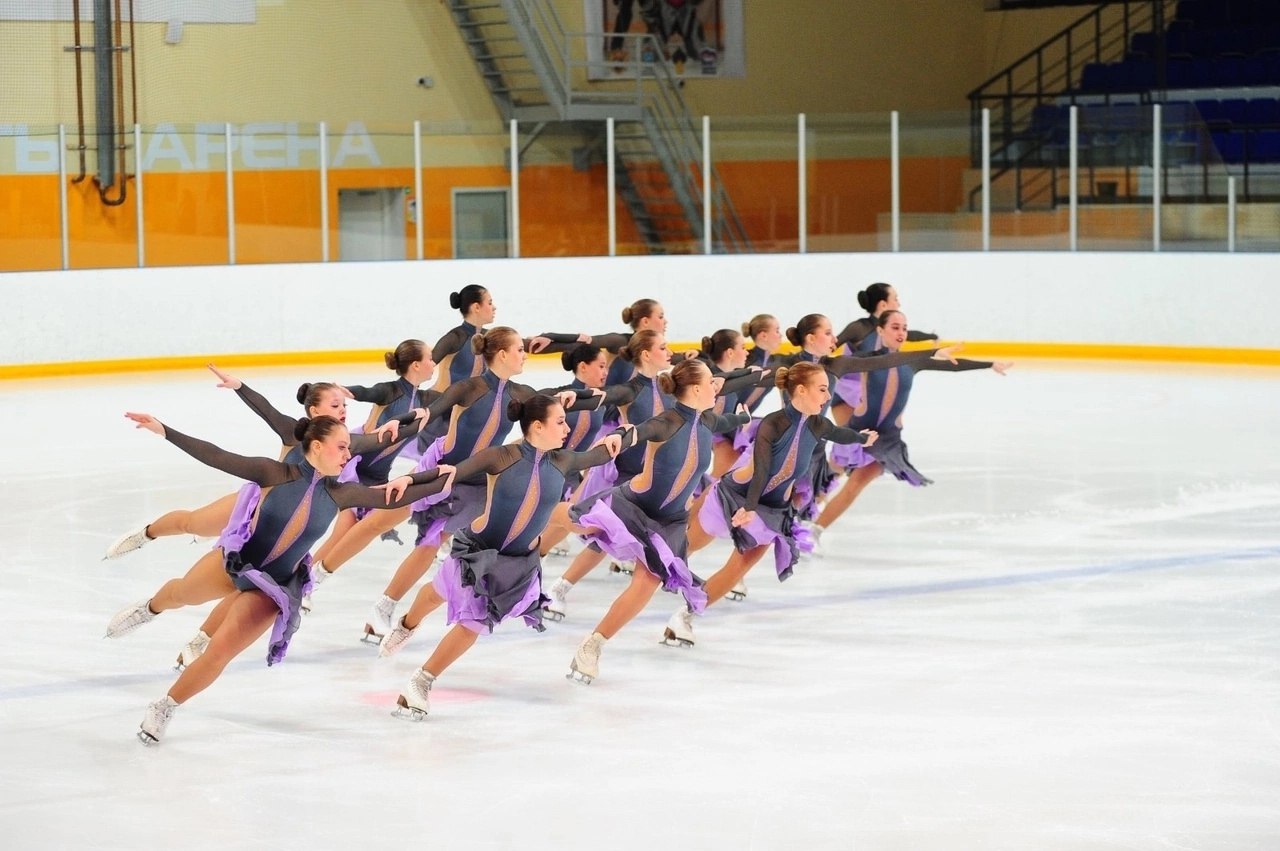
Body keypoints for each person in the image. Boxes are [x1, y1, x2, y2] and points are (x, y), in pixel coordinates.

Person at [104, 413, 456, 745]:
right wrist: (165, 430)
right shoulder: (273, 473)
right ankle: (148, 609)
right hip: (238, 562)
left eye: (349, 447)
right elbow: (216, 456)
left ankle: (165, 705)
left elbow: (394, 495)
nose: (349, 454)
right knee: (182, 593)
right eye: (342, 446)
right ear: (317, 446)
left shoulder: (341, 493)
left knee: (219, 653)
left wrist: (443, 476)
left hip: (273, 587)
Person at [372, 396, 631, 718]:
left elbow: (601, 452)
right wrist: (409, 479)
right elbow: (450, 472)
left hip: (518, 563)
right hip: (480, 550)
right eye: (560, 422)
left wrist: (625, 433)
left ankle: (421, 680)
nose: (567, 428)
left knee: (474, 621)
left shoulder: (563, 461)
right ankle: (408, 627)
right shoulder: (502, 457)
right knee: (437, 594)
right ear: (538, 426)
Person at [661, 362, 876, 646]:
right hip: (737, 496)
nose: (827, 397)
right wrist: (748, 508)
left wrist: (861, 438)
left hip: (773, 510)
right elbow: (762, 469)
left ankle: (684, 617)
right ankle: (649, 570)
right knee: (686, 547)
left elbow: (840, 434)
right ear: (801, 390)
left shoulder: (817, 424)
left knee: (738, 568)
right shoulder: (773, 424)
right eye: (822, 389)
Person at [564, 358, 751, 685]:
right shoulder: (667, 420)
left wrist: (745, 417)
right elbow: (639, 431)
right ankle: (539, 523)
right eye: (710, 383)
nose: (715, 387)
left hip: (669, 521)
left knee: (646, 584)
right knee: (578, 522)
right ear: (695, 389)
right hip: (634, 505)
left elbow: (726, 421)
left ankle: (592, 645)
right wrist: (620, 437)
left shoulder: (707, 420)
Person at [102, 366, 406, 559]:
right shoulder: (293, 431)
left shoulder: (345, 443)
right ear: (314, 410)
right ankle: (147, 533)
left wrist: (411, 420)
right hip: (258, 505)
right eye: (335, 405)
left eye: (344, 405)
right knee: (192, 523)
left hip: (295, 516)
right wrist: (240, 387)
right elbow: (265, 411)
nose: (343, 410)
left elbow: (380, 442)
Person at [816, 310, 1010, 534]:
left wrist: (989, 364)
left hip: (887, 439)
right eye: (895, 327)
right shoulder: (868, 359)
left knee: (856, 484)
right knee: (828, 478)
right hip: (858, 431)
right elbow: (835, 364)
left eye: (904, 328)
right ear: (880, 330)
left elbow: (951, 365)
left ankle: (815, 530)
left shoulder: (912, 363)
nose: (901, 332)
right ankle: (801, 516)